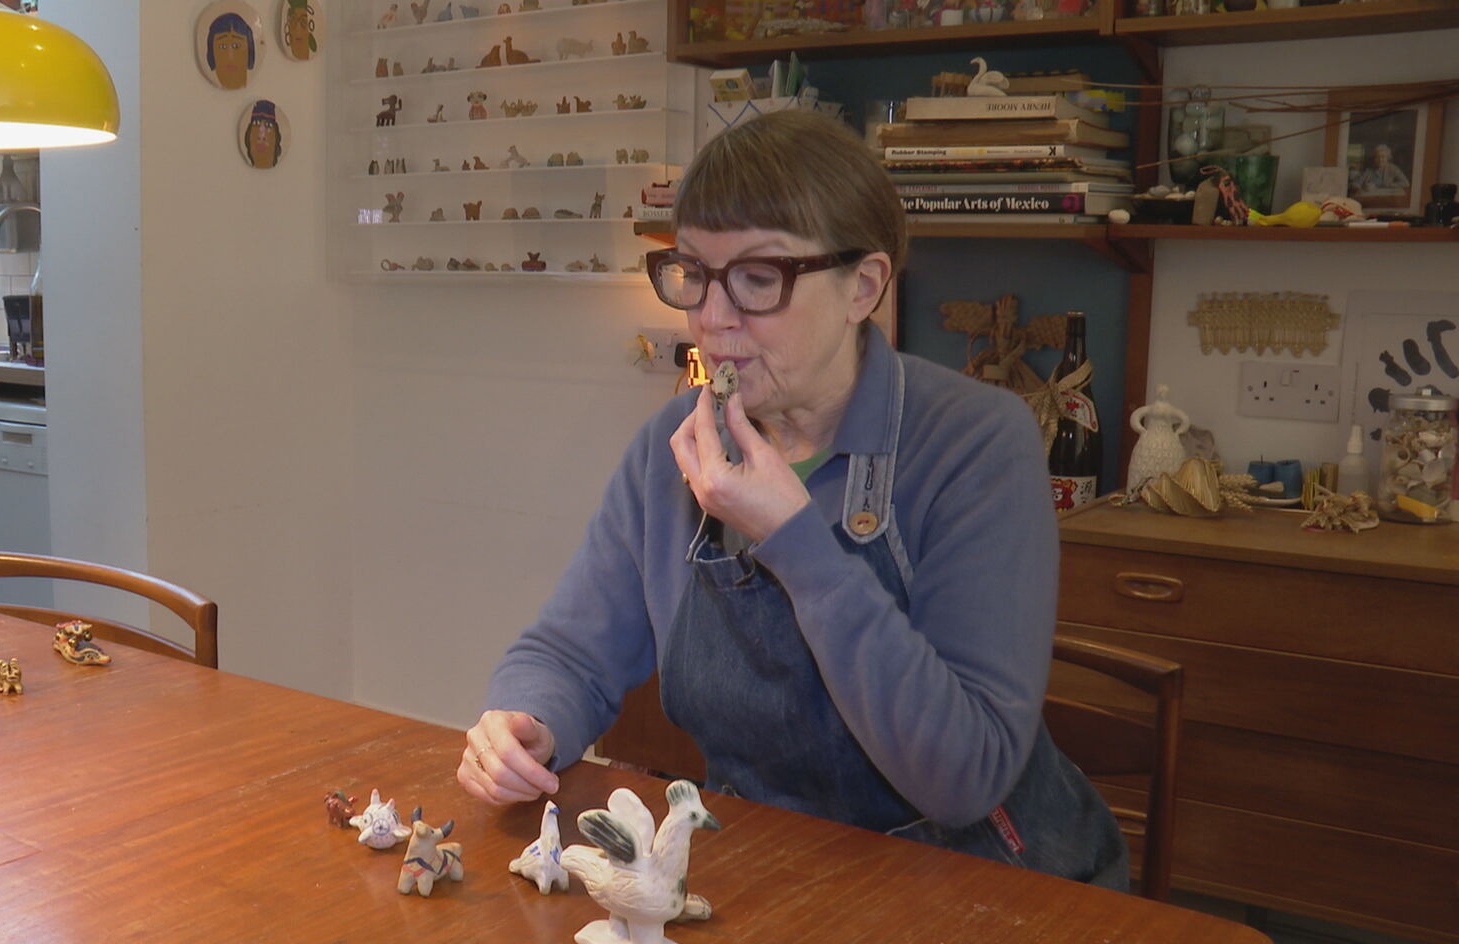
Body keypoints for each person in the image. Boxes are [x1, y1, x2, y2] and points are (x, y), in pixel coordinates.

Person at [458, 109, 1126, 888]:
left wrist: (796, 541)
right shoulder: (675, 445)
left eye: (758, 278)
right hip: (773, 868)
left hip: (984, 885)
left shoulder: (976, 443)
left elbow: (964, 777)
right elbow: (570, 652)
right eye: (695, 273)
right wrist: (527, 721)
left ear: (862, 288)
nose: (711, 317)